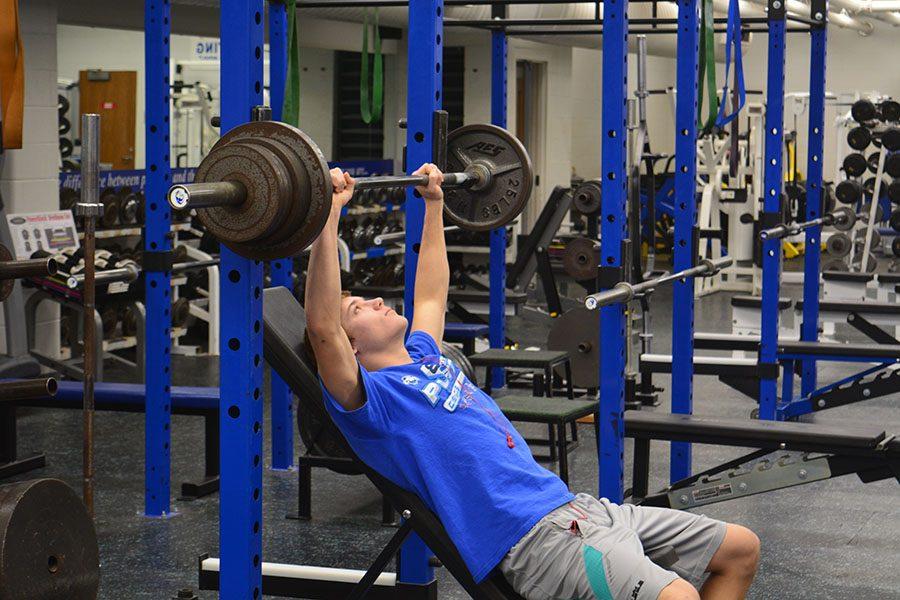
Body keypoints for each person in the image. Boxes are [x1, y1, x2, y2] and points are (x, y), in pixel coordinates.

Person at [303, 165, 761, 600]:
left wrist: (435, 205)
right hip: (532, 539)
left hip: (578, 508)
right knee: (676, 595)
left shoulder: (423, 356)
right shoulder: (374, 400)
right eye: (358, 308)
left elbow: (429, 293)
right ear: (352, 348)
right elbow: (322, 328)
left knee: (741, 548)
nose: (378, 299)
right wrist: (329, 218)